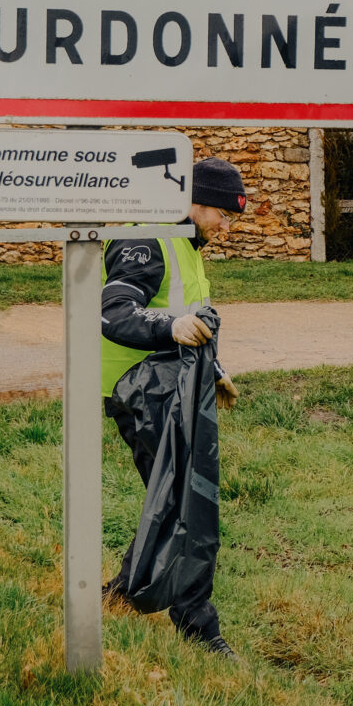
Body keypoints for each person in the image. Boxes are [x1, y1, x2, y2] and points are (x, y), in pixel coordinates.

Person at [100, 156, 246, 659]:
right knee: (188, 505)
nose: (226, 228)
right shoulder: (147, 238)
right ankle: (197, 626)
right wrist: (169, 329)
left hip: (172, 386)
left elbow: (190, 318)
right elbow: (115, 311)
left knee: (169, 497)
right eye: (222, 215)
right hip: (140, 390)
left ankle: (123, 590)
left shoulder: (188, 243)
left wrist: (216, 368)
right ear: (194, 201)